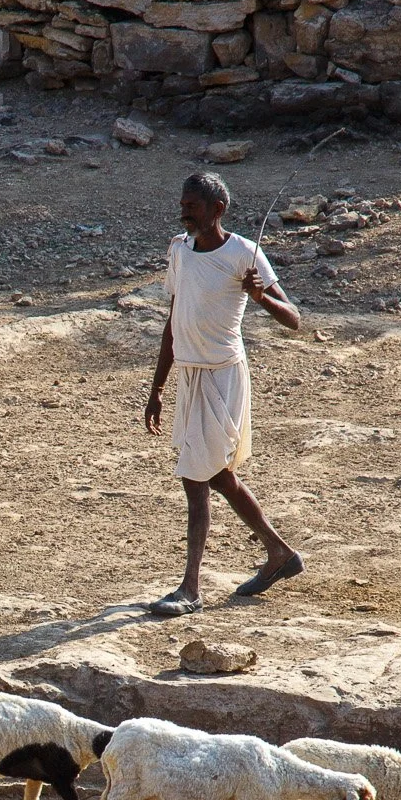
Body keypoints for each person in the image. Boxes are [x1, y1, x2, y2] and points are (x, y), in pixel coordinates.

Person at [141, 172, 305, 618]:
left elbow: (293, 319)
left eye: (192, 205)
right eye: (183, 203)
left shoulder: (244, 254)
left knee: (197, 479)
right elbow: (173, 323)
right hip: (190, 376)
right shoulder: (179, 249)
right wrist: (157, 388)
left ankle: (190, 589)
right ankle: (280, 554)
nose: (183, 212)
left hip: (224, 376)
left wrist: (261, 298)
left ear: (218, 209)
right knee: (213, 474)